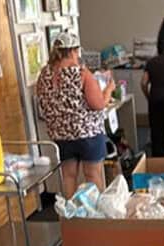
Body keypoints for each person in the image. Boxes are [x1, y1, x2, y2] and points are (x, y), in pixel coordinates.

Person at [37, 32, 115, 197]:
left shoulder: (44, 74)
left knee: (68, 176)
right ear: (73, 51)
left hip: (61, 136)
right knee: (92, 175)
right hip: (88, 135)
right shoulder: (81, 73)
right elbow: (98, 104)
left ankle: (71, 217)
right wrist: (108, 90)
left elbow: (43, 105)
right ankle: (97, 218)